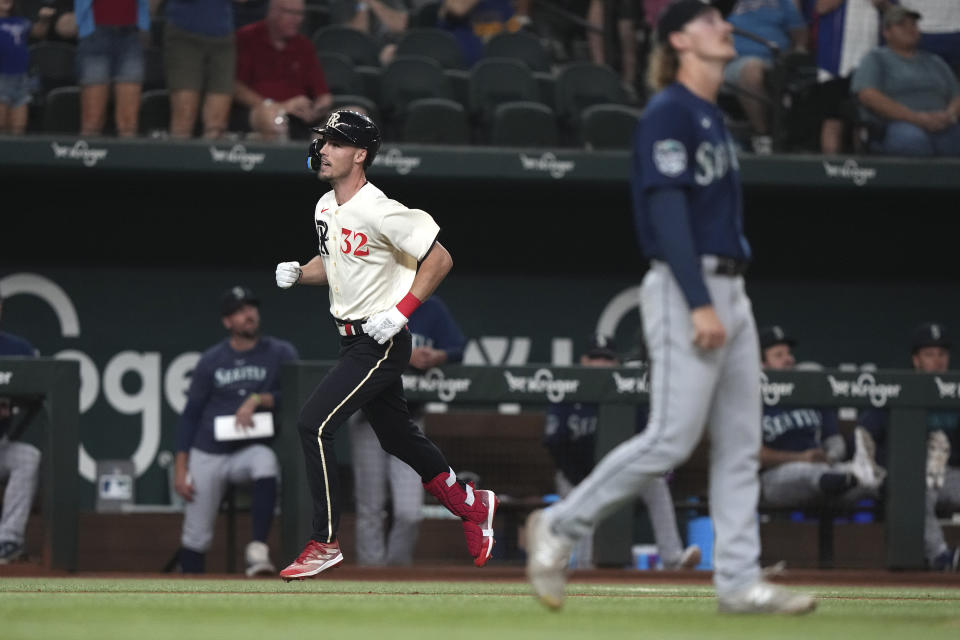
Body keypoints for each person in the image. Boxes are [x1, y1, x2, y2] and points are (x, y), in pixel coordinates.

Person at [525, 0, 816, 614]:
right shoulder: (669, 112)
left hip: (732, 286)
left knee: (741, 443)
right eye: (711, 20)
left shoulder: (712, 115)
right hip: (689, 285)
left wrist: (721, 300)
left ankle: (738, 582)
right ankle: (560, 527)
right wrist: (698, 301)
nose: (726, 26)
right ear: (680, 39)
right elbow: (666, 213)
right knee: (669, 438)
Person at [274, 108, 498, 579]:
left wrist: (400, 312)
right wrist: (301, 272)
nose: (324, 149)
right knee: (398, 436)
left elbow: (440, 258)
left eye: (335, 143)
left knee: (313, 425)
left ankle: (325, 540)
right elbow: (334, 262)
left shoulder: (380, 207)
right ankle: (472, 505)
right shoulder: (325, 207)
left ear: (360, 154)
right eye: (324, 141)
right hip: (351, 339)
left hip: (379, 342)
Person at [542, 334, 701, 570]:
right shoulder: (569, 389)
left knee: (655, 483)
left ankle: (673, 558)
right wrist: (584, 479)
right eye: (595, 358)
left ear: (615, 364)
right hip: (575, 473)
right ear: (584, 361)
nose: (601, 364)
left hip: (618, 474)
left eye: (606, 359)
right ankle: (584, 566)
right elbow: (556, 443)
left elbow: (644, 442)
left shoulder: (627, 395)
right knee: (580, 493)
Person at [174, 286, 298, 576]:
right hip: (209, 450)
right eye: (239, 311)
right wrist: (181, 468)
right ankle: (187, 593)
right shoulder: (212, 360)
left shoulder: (280, 352)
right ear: (227, 321)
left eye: (251, 307)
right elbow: (190, 415)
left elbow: (298, 394)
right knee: (196, 534)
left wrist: (260, 399)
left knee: (265, 461)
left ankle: (257, 549)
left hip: (248, 448)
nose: (248, 314)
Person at [349, 295, 466, 566]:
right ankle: (370, 576)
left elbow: (458, 347)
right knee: (370, 509)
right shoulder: (372, 296)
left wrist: (439, 355)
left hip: (409, 420)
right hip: (370, 417)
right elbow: (354, 345)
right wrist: (404, 350)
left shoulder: (430, 306)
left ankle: (395, 575)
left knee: (410, 512)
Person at [858, 322, 960, 571]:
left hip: (947, 476)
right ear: (916, 360)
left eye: (942, 354)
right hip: (908, 478)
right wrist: (877, 472)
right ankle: (941, 558)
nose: (937, 361)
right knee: (916, 491)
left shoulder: (955, 392)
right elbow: (865, 435)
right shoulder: (898, 389)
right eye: (929, 354)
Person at [758, 325, 884, 508]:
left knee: (875, 479)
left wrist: (830, 457)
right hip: (774, 478)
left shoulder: (807, 390)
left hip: (822, 469)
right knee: (807, 472)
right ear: (763, 364)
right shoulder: (755, 399)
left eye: (788, 353)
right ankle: (845, 479)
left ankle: (855, 478)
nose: (788, 359)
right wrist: (801, 458)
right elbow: (757, 456)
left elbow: (834, 440)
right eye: (779, 355)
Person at [851, 5, 960, 157]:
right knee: (913, 142)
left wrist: (949, 116)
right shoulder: (876, 58)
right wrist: (916, 118)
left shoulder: (935, 61)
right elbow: (868, 95)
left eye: (913, 24)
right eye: (901, 25)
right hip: (899, 124)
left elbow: (956, 95)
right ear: (887, 33)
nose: (910, 29)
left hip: (943, 123)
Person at [234, 0, 333, 141]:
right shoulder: (246, 38)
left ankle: (316, 160)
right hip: (260, 112)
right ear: (273, 12)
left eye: (300, 14)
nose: (297, 19)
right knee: (274, 120)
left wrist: (317, 108)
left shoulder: (304, 46)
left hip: (301, 117)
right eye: (291, 13)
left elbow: (324, 95)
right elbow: (236, 88)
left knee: (352, 118)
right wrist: (281, 106)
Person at [724, 0, 808, 151]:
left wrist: (795, 54)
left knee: (753, 69)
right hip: (728, 60)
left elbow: (800, 37)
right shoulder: (728, 4)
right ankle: (760, 135)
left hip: (771, 60)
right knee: (749, 68)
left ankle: (767, 135)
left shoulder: (783, 3)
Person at [0, 290, 41, 564]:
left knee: (28, 457)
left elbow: (42, 390)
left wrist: (10, 405)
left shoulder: (18, 348)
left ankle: (8, 541)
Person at [74, 0, 151, 137]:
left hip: (131, 35)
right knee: (92, 121)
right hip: (95, 34)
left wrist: (144, 25)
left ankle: (128, 157)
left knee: (129, 124)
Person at [162, 0, 237, 138]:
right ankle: (177, 158)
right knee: (185, 114)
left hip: (222, 38)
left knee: (217, 122)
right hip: (184, 34)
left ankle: (211, 158)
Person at [0, 0, 56, 134]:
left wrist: (44, 20)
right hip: (1, 78)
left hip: (22, 79)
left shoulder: (21, 21)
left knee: (19, 129)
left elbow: (38, 33)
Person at [437, 0, 531, 67]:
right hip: (462, 70)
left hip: (502, 71)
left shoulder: (503, 5)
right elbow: (458, 9)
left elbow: (516, 34)